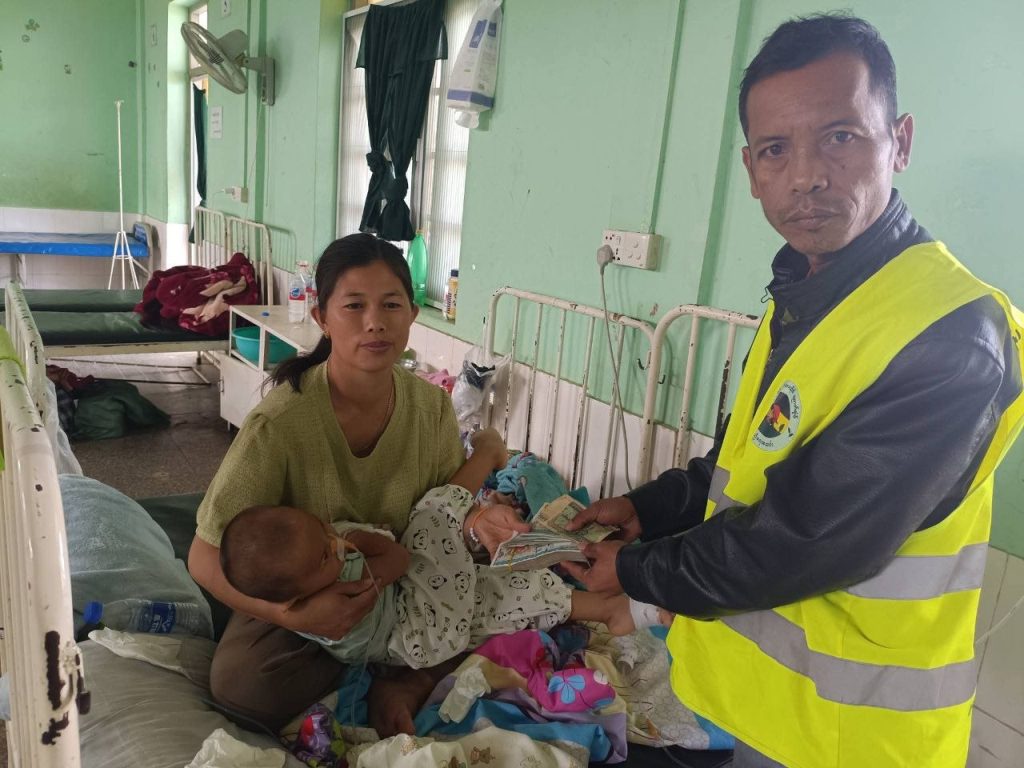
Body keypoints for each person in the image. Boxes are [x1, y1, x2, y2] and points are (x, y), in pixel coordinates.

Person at [564, 13, 1024, 768]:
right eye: (777, 150)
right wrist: (651, 507)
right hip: (758, 705)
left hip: (853, 735)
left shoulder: (949, 333)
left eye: (840, 136)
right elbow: (750, 464)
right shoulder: (804, 294)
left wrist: (635, 568)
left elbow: (803, 537)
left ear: (900, 142)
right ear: (751, 170)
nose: (806, 175)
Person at [188, 234, 535, 735]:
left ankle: (403, 679)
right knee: (243, 687)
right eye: (354, 306)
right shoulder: (280, 424)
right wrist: (296, 617)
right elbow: (203, 557)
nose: (375, 322)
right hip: (316, 594)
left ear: (412, 314)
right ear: (322, 318)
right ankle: (396, 671)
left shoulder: (430, 408)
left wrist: (481, 517)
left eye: (391, 304)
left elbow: (443, 510)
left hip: (410, 581)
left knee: (513, 600)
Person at [218, 437, 639, 670]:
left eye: (322, 528)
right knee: (433, 511)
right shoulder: (338, 596)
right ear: (292, 599)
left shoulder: (303, 588)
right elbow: (398, 559)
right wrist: (361, 539)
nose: (332, 542)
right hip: (419, 619)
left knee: (505, 595)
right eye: (325, 556)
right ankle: (488, 453)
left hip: (423, 642)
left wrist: (336, 542)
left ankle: (608, 610)